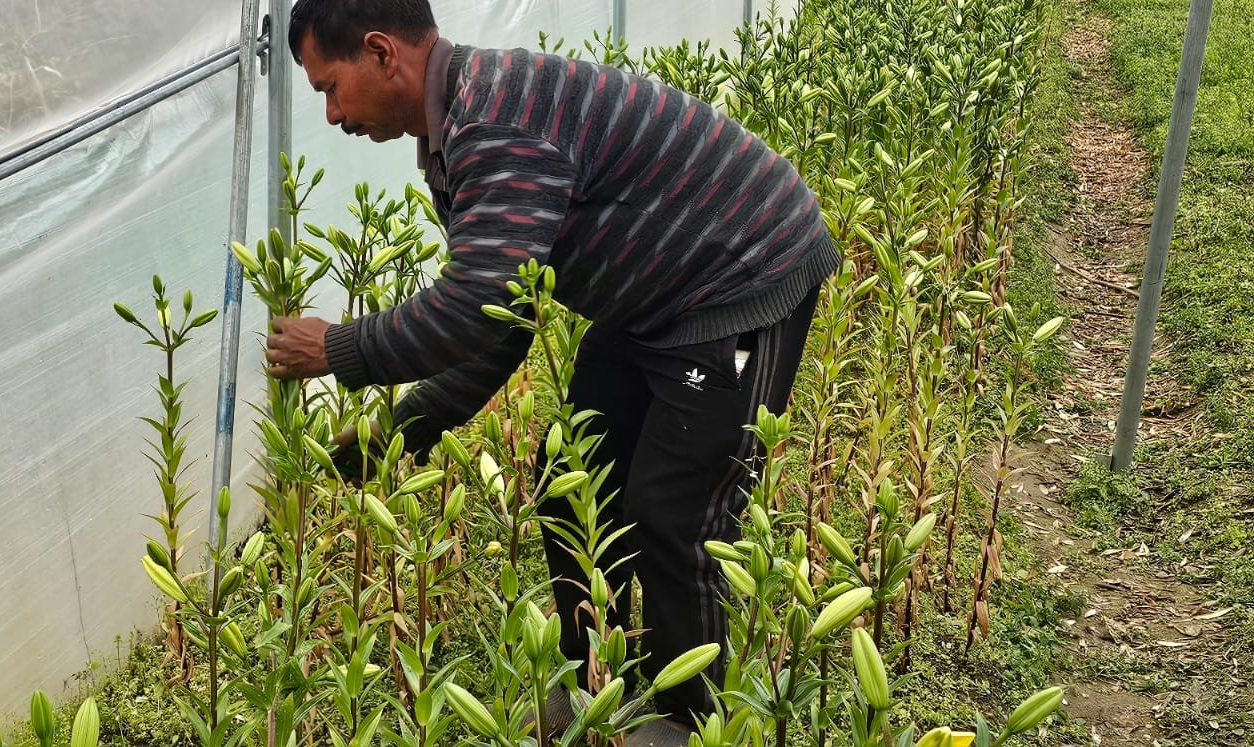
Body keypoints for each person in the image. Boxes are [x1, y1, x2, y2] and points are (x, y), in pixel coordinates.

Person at [262, 0, 839, 741]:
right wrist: (408, 427)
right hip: (652, 300)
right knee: (573, 479)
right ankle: (598, 676)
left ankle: (685, 722)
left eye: (330, 88)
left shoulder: (495, 121)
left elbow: (472, 306)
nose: (334, 114)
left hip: (744, 281)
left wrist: (340, 348)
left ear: (381, 52)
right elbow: (504, 317)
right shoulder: (457, 130)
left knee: (674, 516)